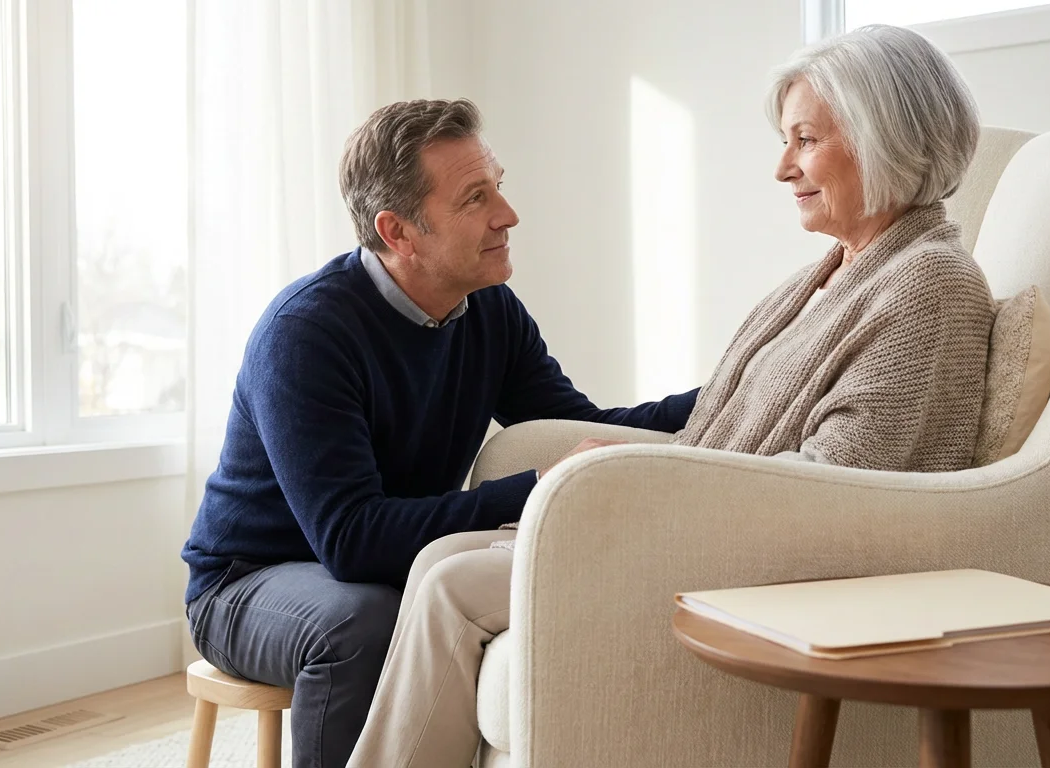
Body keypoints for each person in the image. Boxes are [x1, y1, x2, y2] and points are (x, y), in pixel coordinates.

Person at [347, 24, 995, 768]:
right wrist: (622, 474)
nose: (783, 167)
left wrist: (638, 487)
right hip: (706, 521)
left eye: (806, 140)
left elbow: (842, 487)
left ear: (885, 139)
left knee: (454, 587)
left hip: (747, 548)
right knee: (438, 558)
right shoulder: (830, 273)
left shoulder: (928, 284)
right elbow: (726, 410)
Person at [179, 98, 699, 768]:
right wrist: (538, 487)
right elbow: (353, 542)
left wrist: (734, 390)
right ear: (398, 232)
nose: (507, 214)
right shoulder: (306, 333)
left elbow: (579, 424)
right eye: (475, 198)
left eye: (498, 186)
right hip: (248, 582)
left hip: (377, 570)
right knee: (363, 621)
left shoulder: (488, 309)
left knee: (449, 596)